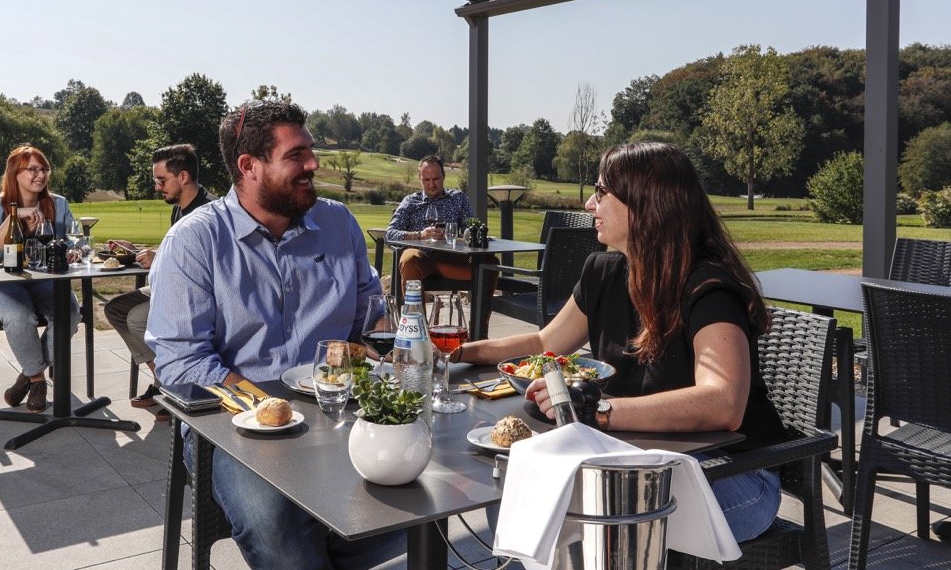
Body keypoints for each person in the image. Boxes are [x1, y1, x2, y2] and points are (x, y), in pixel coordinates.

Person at [457, 141, 786, 543]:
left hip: (732, 472)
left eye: (601, 192)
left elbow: (723, 403)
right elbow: (546, 342)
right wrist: (460, 352)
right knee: (515, 489)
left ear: (646, 204)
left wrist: (598, 411)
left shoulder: (709, 288)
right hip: (642, 458)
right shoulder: (603, 271)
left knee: (553, 510)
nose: (589, 205)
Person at [146, 101, 403, 570]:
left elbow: (371, 322)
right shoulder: (194, 241)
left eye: (311, 151)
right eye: (296, 155)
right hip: (230, 427)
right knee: (276, 521)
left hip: (339, 409)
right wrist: (273, 411)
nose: (313, 164)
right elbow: (182, 366)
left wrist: (397, 350)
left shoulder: (338, 224)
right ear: (249, 166)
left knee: (422, 484)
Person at [102, 143, 217, 420]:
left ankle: (177, 388)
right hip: (169, 288)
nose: (156, 187)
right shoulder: (180, 207)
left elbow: (211, 269)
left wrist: (160, 258)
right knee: (115, 309)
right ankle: (164, 382)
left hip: (194, 297)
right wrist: (137, 250)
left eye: (161, 180)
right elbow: (175, 249)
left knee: (137, 319)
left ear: (183, 177)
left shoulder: (209, 213)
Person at [0, 144, 81, 413]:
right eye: (32, 169)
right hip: (1, 284)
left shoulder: (58, 204)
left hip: (46, 281)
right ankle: (37, 381)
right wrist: (15, 216)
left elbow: (73, 240)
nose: (41, 175)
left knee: (69, 313)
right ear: (15, 173)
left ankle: (28, 374)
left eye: (44, 169)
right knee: (19, 316)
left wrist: (75, 249)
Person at [386, 155, 496, 294]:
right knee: (409, 259)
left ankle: (481, 309)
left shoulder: (458, 198)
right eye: (426, 180)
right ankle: (415, 309)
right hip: (420, 258)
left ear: (443, 176)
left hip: (452, 259)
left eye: (436, 179)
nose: (432, 184)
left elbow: (471, 231)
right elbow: (389, 235)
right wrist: (419, 235)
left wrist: (454, 235)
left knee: (490, 263)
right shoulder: (410, 201)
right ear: (419, 178)